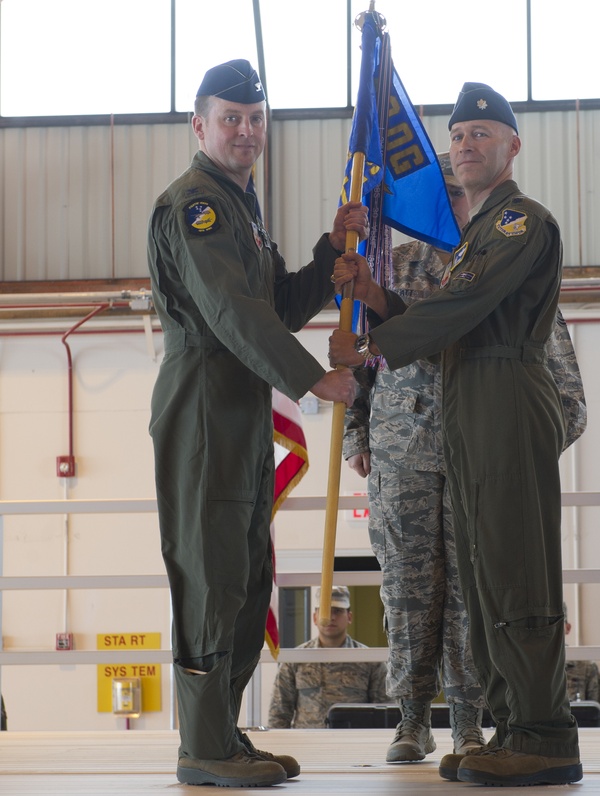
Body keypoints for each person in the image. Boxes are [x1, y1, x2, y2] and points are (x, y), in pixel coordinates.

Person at [329, 82, 583, 787]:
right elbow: (445, 311)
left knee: (514, 577)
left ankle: (543, 734)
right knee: (485, 580)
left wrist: (375, 346)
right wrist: (379, 312)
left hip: (504, 406)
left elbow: (463, 308)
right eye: (459, 135)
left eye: (481, 134)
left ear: (512, 146)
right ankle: (509, 729)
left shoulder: (515, 223)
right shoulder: (476, 235)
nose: (466, 146)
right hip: (472, 415)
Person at [146, 59, 367, 788]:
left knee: (245, 573)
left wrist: (326, 257)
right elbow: (231, 312)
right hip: (206, 400)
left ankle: (223, 737)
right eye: (230, 118)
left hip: (241, 406)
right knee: (212, 574)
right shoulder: (197, 206)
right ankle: (202, 747)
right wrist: (310, 377)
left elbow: (272, 304)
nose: (245, 130)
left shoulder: (241, 208)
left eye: (255, 118)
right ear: (199, 125)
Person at [267, 586, 389, 728]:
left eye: (337, 611)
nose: (331, 617)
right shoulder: (297, 659)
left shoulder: (369, 660)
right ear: (314, 617)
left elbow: (385, 713)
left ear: (349, 617)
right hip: (307, 745)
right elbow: (278, 713)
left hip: (354, 745)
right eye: (325, 611)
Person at [562, 605, 600, 727]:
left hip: (582, 741)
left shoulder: (585, 667)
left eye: (557, 624)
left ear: (568, 628)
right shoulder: (529, 667)